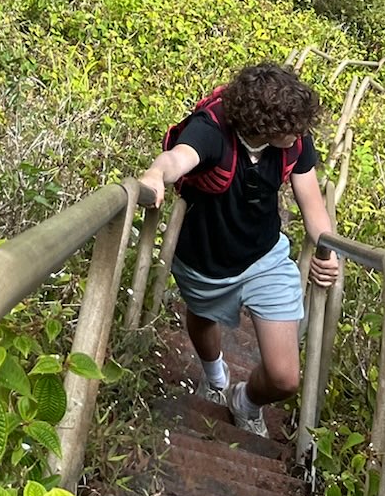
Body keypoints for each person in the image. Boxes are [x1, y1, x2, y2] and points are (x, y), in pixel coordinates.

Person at [138, 61, 338, 438]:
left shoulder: (294, 137)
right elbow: (177, 159)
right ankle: (216, 377)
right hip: (204, 259)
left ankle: (244, 401)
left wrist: (328, 251)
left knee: (284, 378)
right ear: (265, 126)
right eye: (292, 129)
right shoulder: (212, 130)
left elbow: (313, 205)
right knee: (202, 317)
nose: (300, 134)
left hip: (266, 257)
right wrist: (154, 174)